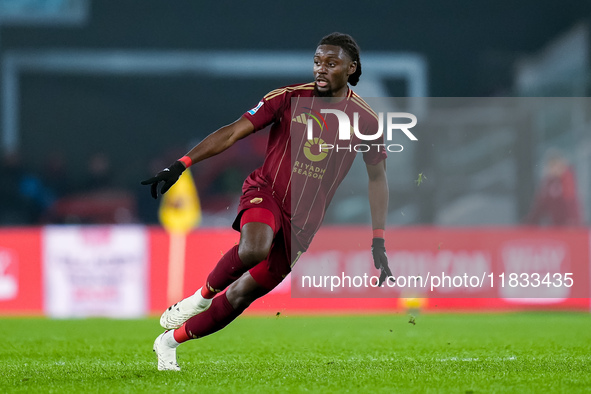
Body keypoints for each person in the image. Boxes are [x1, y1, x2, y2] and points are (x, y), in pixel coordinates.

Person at [142, 32, 393, 371]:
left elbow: (377, 179)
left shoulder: (365, 121)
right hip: (267, 193)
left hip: (303, 223)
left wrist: (378, 237)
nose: (321, 69)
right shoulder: (288, 98)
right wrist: (182, 165)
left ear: (351, 68)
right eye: (317, 61)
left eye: (331, 64)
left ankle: (169, 342)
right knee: (255, 248)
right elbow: (232, 132)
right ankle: (199, 298)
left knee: (241, 295)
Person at [525, 149, 584, 226]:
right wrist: (530, 223)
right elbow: (540, 206)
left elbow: (571, 202)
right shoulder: (548, 183)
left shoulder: (567, 179)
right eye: (551, 166)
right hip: (556, 226)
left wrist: (573, 221)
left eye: (556, 165)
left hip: (569, 226)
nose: (554, 169)